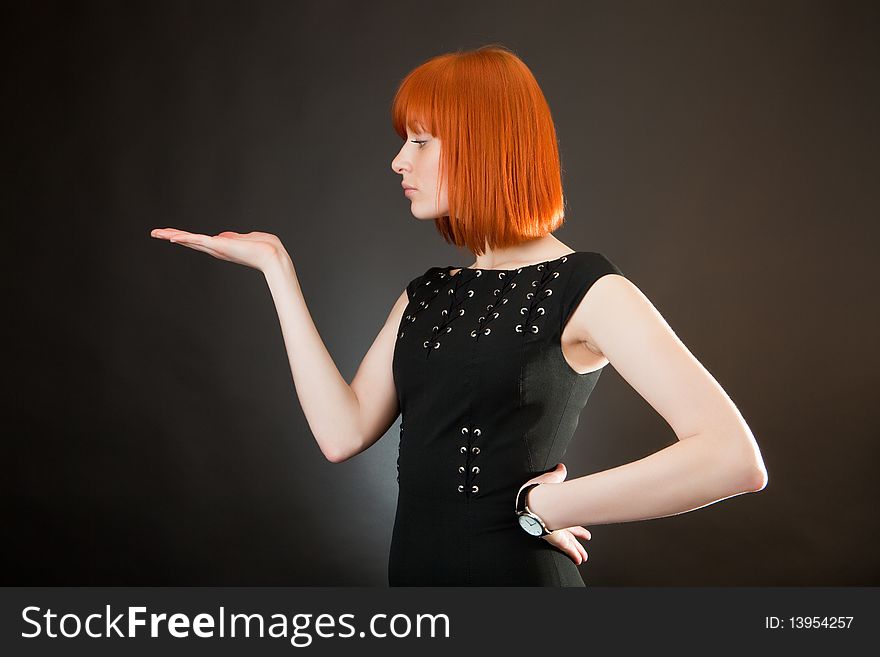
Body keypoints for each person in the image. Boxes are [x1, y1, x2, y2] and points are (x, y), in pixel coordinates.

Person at [150, 44, 768, 586]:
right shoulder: (429, 294)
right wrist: (277, 270)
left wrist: (552, 507)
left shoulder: (588, 288)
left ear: (485, 145)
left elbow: (731, 457)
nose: (399, 162)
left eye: (420, 141)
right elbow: (341, 435)